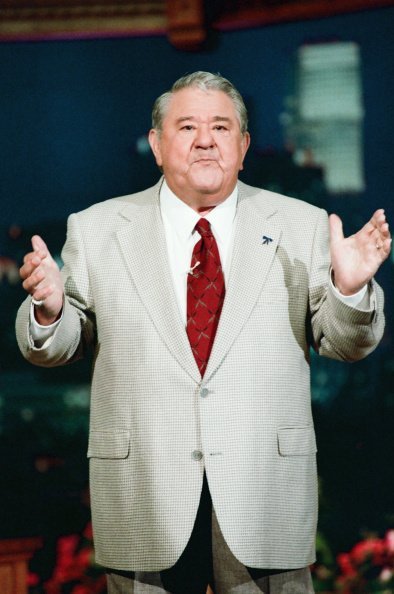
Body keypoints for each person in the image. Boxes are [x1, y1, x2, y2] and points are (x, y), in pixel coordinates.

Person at [16, 71, 391, 594]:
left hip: (266, 494)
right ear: (156, 144)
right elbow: (56, 347)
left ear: (243, 145)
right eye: (187, 126)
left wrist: (349, 290)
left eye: (221, 126)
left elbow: (347, 343)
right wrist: (51, 311)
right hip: (143, 493)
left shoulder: (301, 225)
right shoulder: (97, 229)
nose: (205, 140)